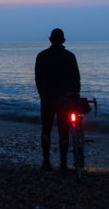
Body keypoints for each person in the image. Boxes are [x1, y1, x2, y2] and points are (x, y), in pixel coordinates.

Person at [34, 28, 81, 171]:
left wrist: (42, 94)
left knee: (46, 129)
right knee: (64, 130)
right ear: (63, 41)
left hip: (47, 98)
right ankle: (63, 163)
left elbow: (38, 79)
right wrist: (75, 96)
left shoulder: (42, 56)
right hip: (65, 100)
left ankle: (46, 162)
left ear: (50, 39)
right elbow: (76, 80)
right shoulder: (70, 56)